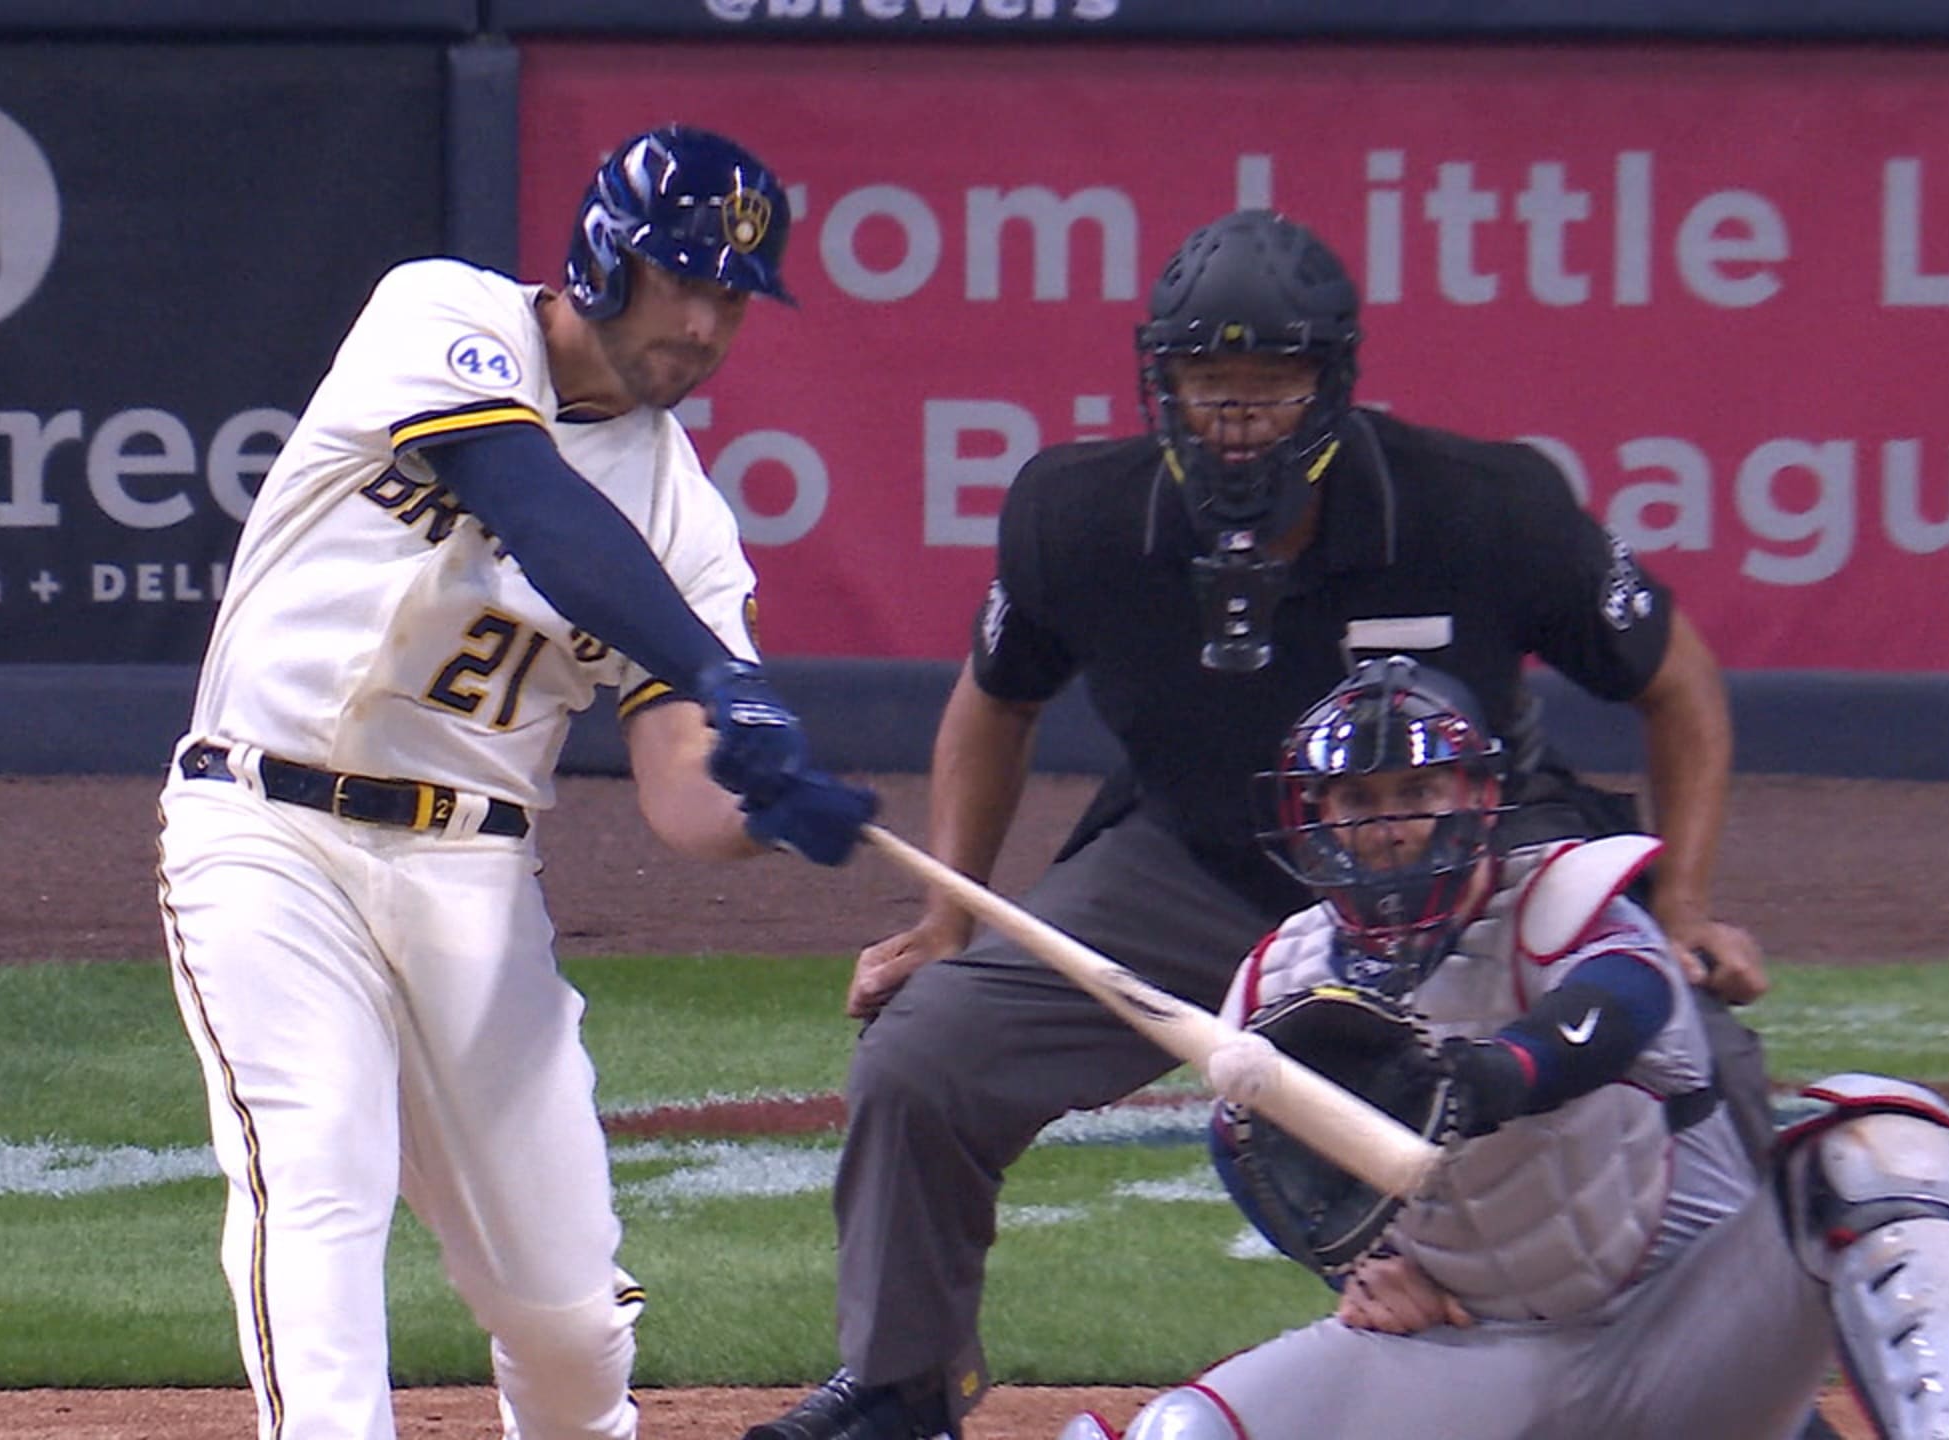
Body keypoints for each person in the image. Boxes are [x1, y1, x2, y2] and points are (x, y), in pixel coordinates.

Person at [747, 208, 1781, 1440]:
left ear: (1331, 384)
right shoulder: (1071, 516)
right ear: (1157, 385)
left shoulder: (1483, 504)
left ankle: (1748, 1380)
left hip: (1465, 869)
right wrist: (943, 917)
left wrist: (1688, 900)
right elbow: (993, 702)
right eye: (1205, 383)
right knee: (924, 1052)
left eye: (1271, 384)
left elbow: (1677, 681)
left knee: (1692, 1041)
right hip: (1195, 858)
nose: (1236, 414)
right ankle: (900, 1386)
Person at [154, 124, 875, 1440]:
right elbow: (534, 502)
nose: (711, 325)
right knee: (319, 1174)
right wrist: (723, 673)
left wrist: (763, 800)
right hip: (263, 830)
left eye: (734, 300)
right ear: (608, 260)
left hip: (471, 878)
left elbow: (679, 793)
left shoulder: (685, 523)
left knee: (567, 1319)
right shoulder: (443, 312)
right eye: (689, 282)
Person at [1056, 655, 1949, 1440]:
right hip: (1478, 1367)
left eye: (1417, 790)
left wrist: (1490, 1076)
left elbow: (1623, 1003)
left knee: (1880, 1146)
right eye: (1359, 798)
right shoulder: (1279, 980)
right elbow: (1248, 1147)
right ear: (1318, 818)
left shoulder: (1567, 902)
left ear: (1475, 794)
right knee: (1178, 1434)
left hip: (1684, 1357)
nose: (1390, 826)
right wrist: (1354, 1269)